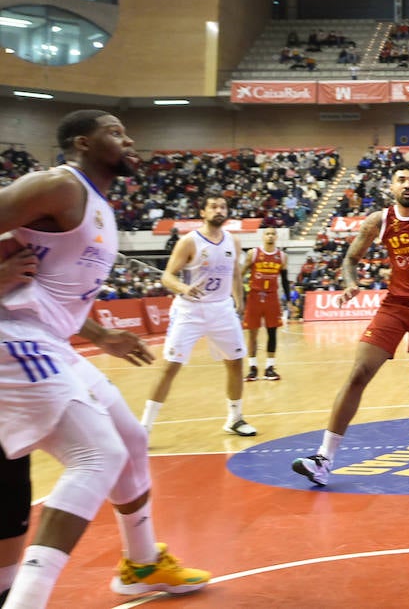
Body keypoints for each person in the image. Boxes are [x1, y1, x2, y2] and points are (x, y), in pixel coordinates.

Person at [0, 110, 209, 606]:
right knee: (98, 455)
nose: (129, 139)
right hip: (13, 337)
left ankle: (141, 564)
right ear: (82, 143)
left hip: (48, 337)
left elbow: (51, 293)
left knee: (130, 439)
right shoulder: (58, 185)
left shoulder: (98, 204)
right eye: (115, 132)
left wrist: (101, 334)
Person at [291, 167, 409, 485]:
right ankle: (323, 459)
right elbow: (350, 259)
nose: (407, 184)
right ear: (391, 188)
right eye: (401, 180)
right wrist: (350, 283)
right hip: (395, 307)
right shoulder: (378, 221)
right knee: (359, 373)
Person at [140, 196, 257, 438]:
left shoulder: (233, 241)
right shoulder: (189, 241)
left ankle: (235, 419)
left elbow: (235, 273)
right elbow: (167, 276)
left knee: (235, 362)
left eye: (222, 207)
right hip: (190, 310)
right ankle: (144, 427)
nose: (219, 210)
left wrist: (240, 302)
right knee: (170, 366)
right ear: (202, 212)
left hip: (222, 309)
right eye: (213, 207)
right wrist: (183, 288)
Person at [241, 226, 288, 381]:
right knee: (252, 333)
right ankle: (252, 367)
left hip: (272, 297)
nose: (270, 236)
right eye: (267, 234)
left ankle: (270, 367)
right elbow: (240, 274)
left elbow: (285, 280)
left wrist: (288, 299)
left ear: (276, 237)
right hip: (254, 296)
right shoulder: (253, 253)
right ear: (263, 236)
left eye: (273, 234)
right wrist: (239, 295)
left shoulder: (282, 256)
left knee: (272, 333)